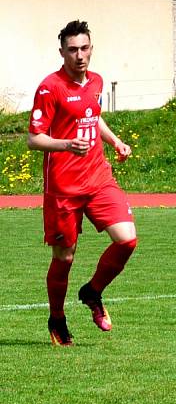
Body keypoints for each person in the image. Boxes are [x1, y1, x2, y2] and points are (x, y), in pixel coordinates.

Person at [27, 20, 137, 346]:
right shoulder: (50, 88)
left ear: (91, 48)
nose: (79, 55)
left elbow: (92, 114)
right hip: (63, 187)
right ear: (61, 52)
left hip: (98, 178)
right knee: (64, 258)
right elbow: (34, 139)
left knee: (127, 240)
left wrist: (116, 141)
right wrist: (66, 144)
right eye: (72, 49)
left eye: (84, 48)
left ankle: (93, 292)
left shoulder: (96, 81)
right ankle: (57, 318)